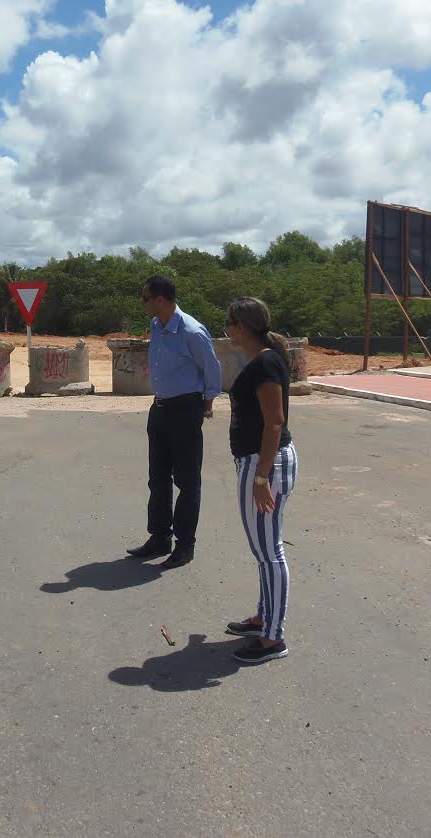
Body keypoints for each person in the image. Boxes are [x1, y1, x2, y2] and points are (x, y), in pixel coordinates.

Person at [126, 276, 222, 569]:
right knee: (158, 478)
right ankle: (159, 538)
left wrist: (205, 406)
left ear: (161, 299)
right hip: (160, 409)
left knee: (187, 481)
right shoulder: (157, 326)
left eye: (145, 298)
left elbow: (212, 370)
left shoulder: (192, 331)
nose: (141, 303)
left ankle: (184, 546)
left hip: (185, 410)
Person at [222, 296, 297, 665]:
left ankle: (273, 638)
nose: (226, 328)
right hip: (257, 462)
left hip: (264, 464)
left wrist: (262, 476)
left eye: (228, 322)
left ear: (241, 326)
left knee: (270, 553)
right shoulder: (262, 359)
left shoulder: (266, 361)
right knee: (263, 549)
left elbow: (275, 423)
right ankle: (264, 617)